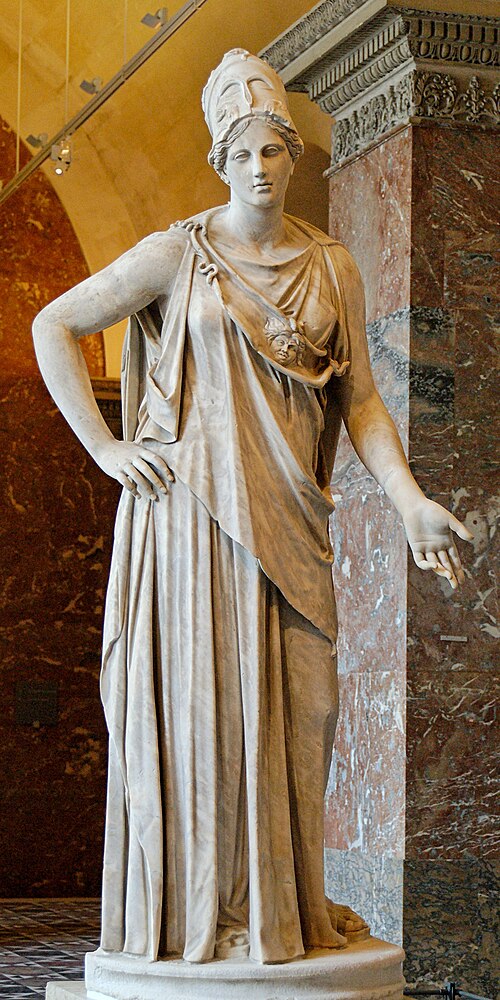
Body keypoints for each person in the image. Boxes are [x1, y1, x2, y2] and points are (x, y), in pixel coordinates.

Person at [32, 49, 472, 966]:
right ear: (219, 161)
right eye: (241, 152)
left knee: (308, 714)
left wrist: (410, 503)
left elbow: (360, 400)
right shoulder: (177, 254)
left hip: (293, 519)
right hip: (191, 519)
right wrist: (107, 449)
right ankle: (208, 914)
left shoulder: (333, 266)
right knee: (205, 723)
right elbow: (55, 325)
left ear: (293, 155)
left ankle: (287, 906)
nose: (260, 166)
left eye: (273, 148)